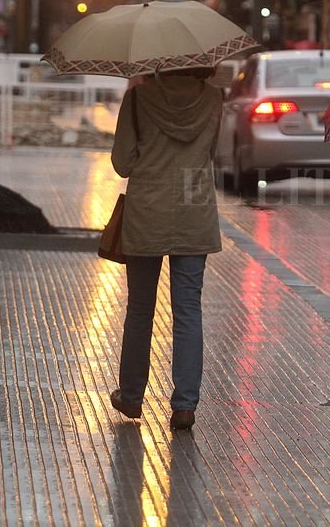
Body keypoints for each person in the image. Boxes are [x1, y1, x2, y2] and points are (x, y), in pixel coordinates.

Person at [109, 69, 224, 431]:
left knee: (141, 308)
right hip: (194, 207)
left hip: (148, 208)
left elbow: (122, 162)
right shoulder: (214, 98)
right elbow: (213, 153)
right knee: (188, 309)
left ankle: (131, 396)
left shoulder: (139, 99)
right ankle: (185, 405)